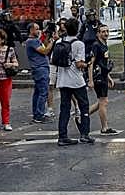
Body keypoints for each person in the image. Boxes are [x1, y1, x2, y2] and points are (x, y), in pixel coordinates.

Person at [53, 17, 93, 146]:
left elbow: (54, 59)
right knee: (84, 106)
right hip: (76, 80)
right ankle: (85, 134)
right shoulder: (79, 44)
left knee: (64, 108)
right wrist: (88, 64)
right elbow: (79, 63)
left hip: (62, 80)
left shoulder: (59, 41)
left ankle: (62, 135)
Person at [87, 24, 118, 134]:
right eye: (103, 31)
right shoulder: (96, 45)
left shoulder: (104, 45)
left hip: (103, 75)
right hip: (98, 77)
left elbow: (103, 63)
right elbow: (91, 63)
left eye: (107, 31)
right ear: (98, 33)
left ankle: (83, 115)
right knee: (103, 101)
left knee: (102, 101)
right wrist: (90, 80)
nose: (106, 33)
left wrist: (108, 76)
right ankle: (104, 127)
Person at [25, 22, 52, 123]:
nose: (39, 31)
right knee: (43, 92)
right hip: (40, 68)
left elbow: (43, 46)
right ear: (31, 30)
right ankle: (39, 114)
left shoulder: (35, 41)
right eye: (36, 29)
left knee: (38, 92)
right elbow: (45, 51)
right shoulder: (31, 41)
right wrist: (52, 41)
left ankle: (37, 113)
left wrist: (46, 38)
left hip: (40, 68)